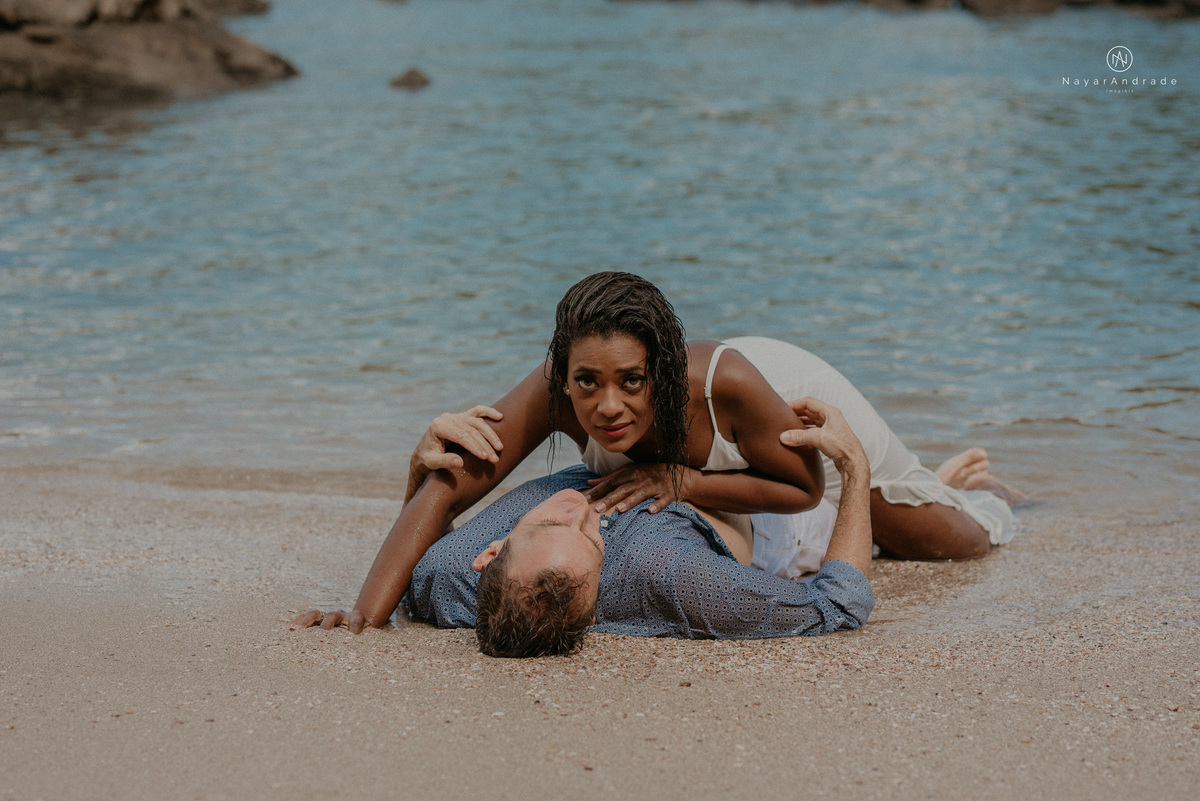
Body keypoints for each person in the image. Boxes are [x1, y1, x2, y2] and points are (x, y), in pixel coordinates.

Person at [291, 271, 1022, 639]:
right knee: (878, 532)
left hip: (790, 420)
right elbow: (450, 487)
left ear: (661, 376)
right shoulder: (560, 390)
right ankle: (934, 486)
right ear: (565, 374)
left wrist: (685, 481)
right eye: (587, 382)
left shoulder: (726, 386)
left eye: (631, 382)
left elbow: (802, 486)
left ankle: (981, 495)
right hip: (749, 493)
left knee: (947, 539)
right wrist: (365, 616)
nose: (607, 406)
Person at [302, 398, 877, 658]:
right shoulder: (676, 579)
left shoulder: (448, 579)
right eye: (591, 537)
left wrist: (420, 467)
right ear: (597, 596)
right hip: (777, 517)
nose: (582, 507)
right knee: (906, 526)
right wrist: (853, 467)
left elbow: (415, 558)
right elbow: (840, 602)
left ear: (491, 555)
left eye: (550, 521)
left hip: (674, 438)